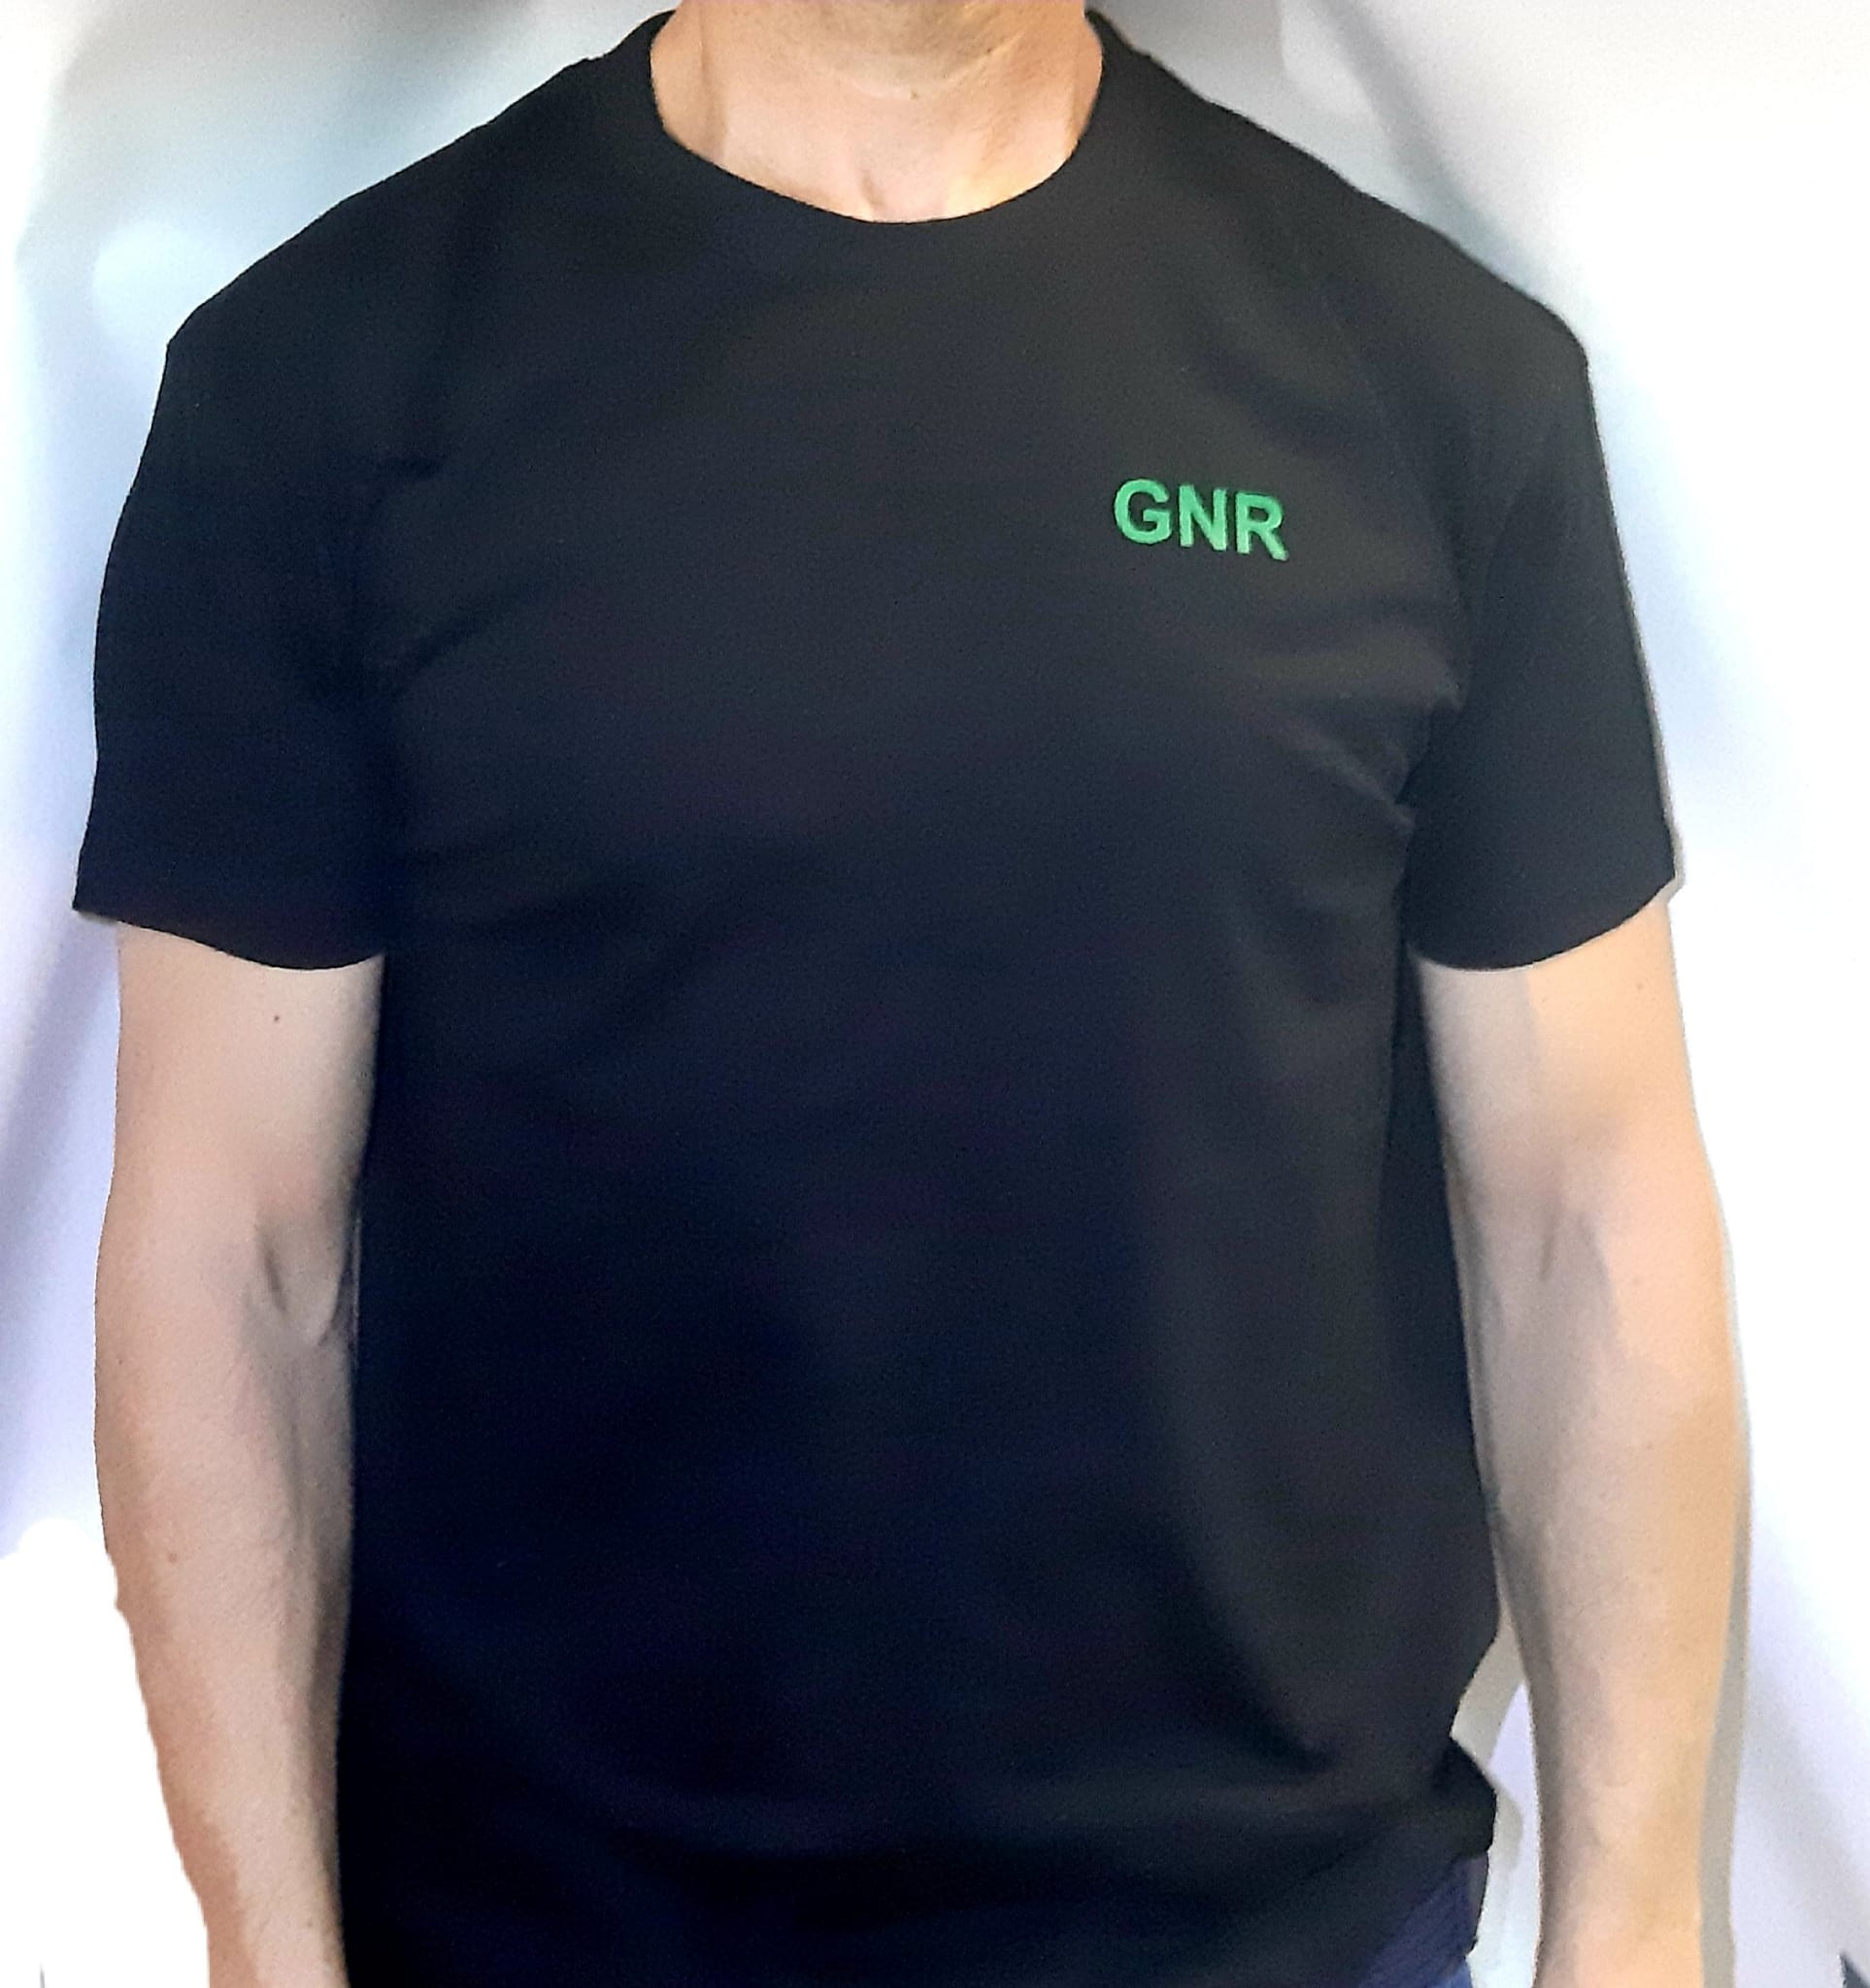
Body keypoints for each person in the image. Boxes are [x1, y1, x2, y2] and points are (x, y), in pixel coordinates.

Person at [70, 3, 1743, 1985]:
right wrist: (268, 1953)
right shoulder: (324, 380)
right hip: (550, 1924)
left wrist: (1635, 1930)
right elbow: (231, 1251)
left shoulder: (1430, 374)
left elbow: (1583, 1205)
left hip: (1271, 1927)